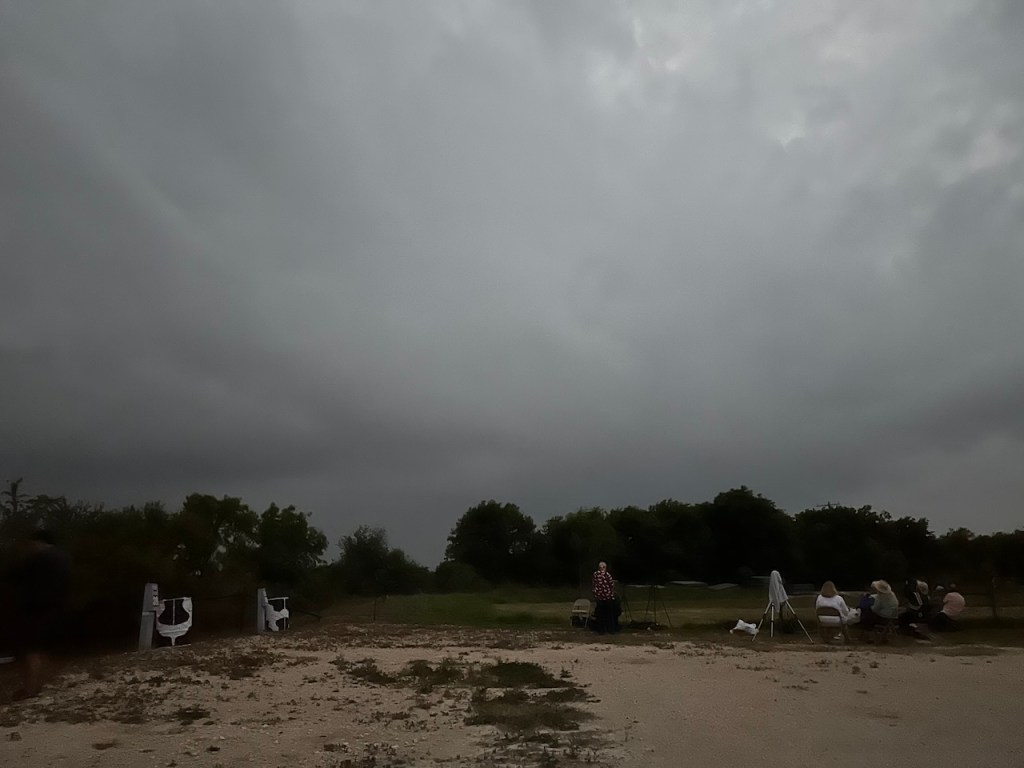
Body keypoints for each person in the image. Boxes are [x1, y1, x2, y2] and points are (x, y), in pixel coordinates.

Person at [3, 530, 72, 699]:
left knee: (30, 650)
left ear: (39, 542)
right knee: (43, 649)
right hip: (57, 609)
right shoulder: (63, 558)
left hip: (35, 610)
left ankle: (29, 689)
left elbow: (12, 576)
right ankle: (38, 685)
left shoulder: (38, 558)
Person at [591, 561, 618, 634]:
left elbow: (594, 585)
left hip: (599, 598)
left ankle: (601, 630)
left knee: (600, 615)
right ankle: (611, 629)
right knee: (609, 614)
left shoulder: (595, 574)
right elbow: (611, 585)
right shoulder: (607, 575)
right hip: (608, 597)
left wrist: (596, 595)